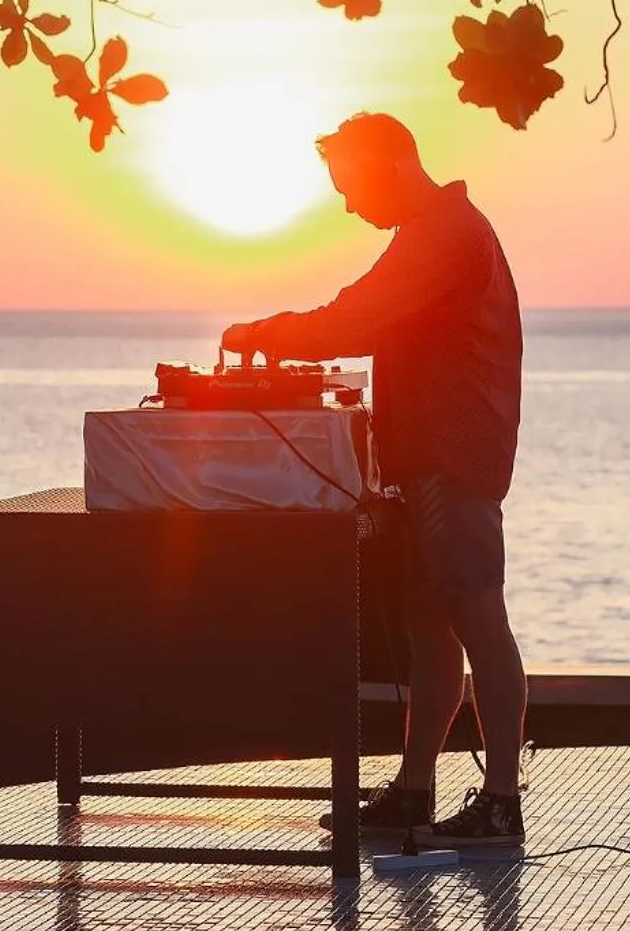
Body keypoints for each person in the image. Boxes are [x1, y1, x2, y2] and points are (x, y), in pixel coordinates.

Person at [221, 112, 526, 847]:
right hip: (421, 455)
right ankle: (415, 790)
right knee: (428, 624)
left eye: (353, 186)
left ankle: (502, 800)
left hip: (456, 455)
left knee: (478, 618)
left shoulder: (444, 233)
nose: (351, 206)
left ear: (391, 164)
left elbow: (354, 316)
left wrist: (265, 332)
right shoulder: (425, 233)